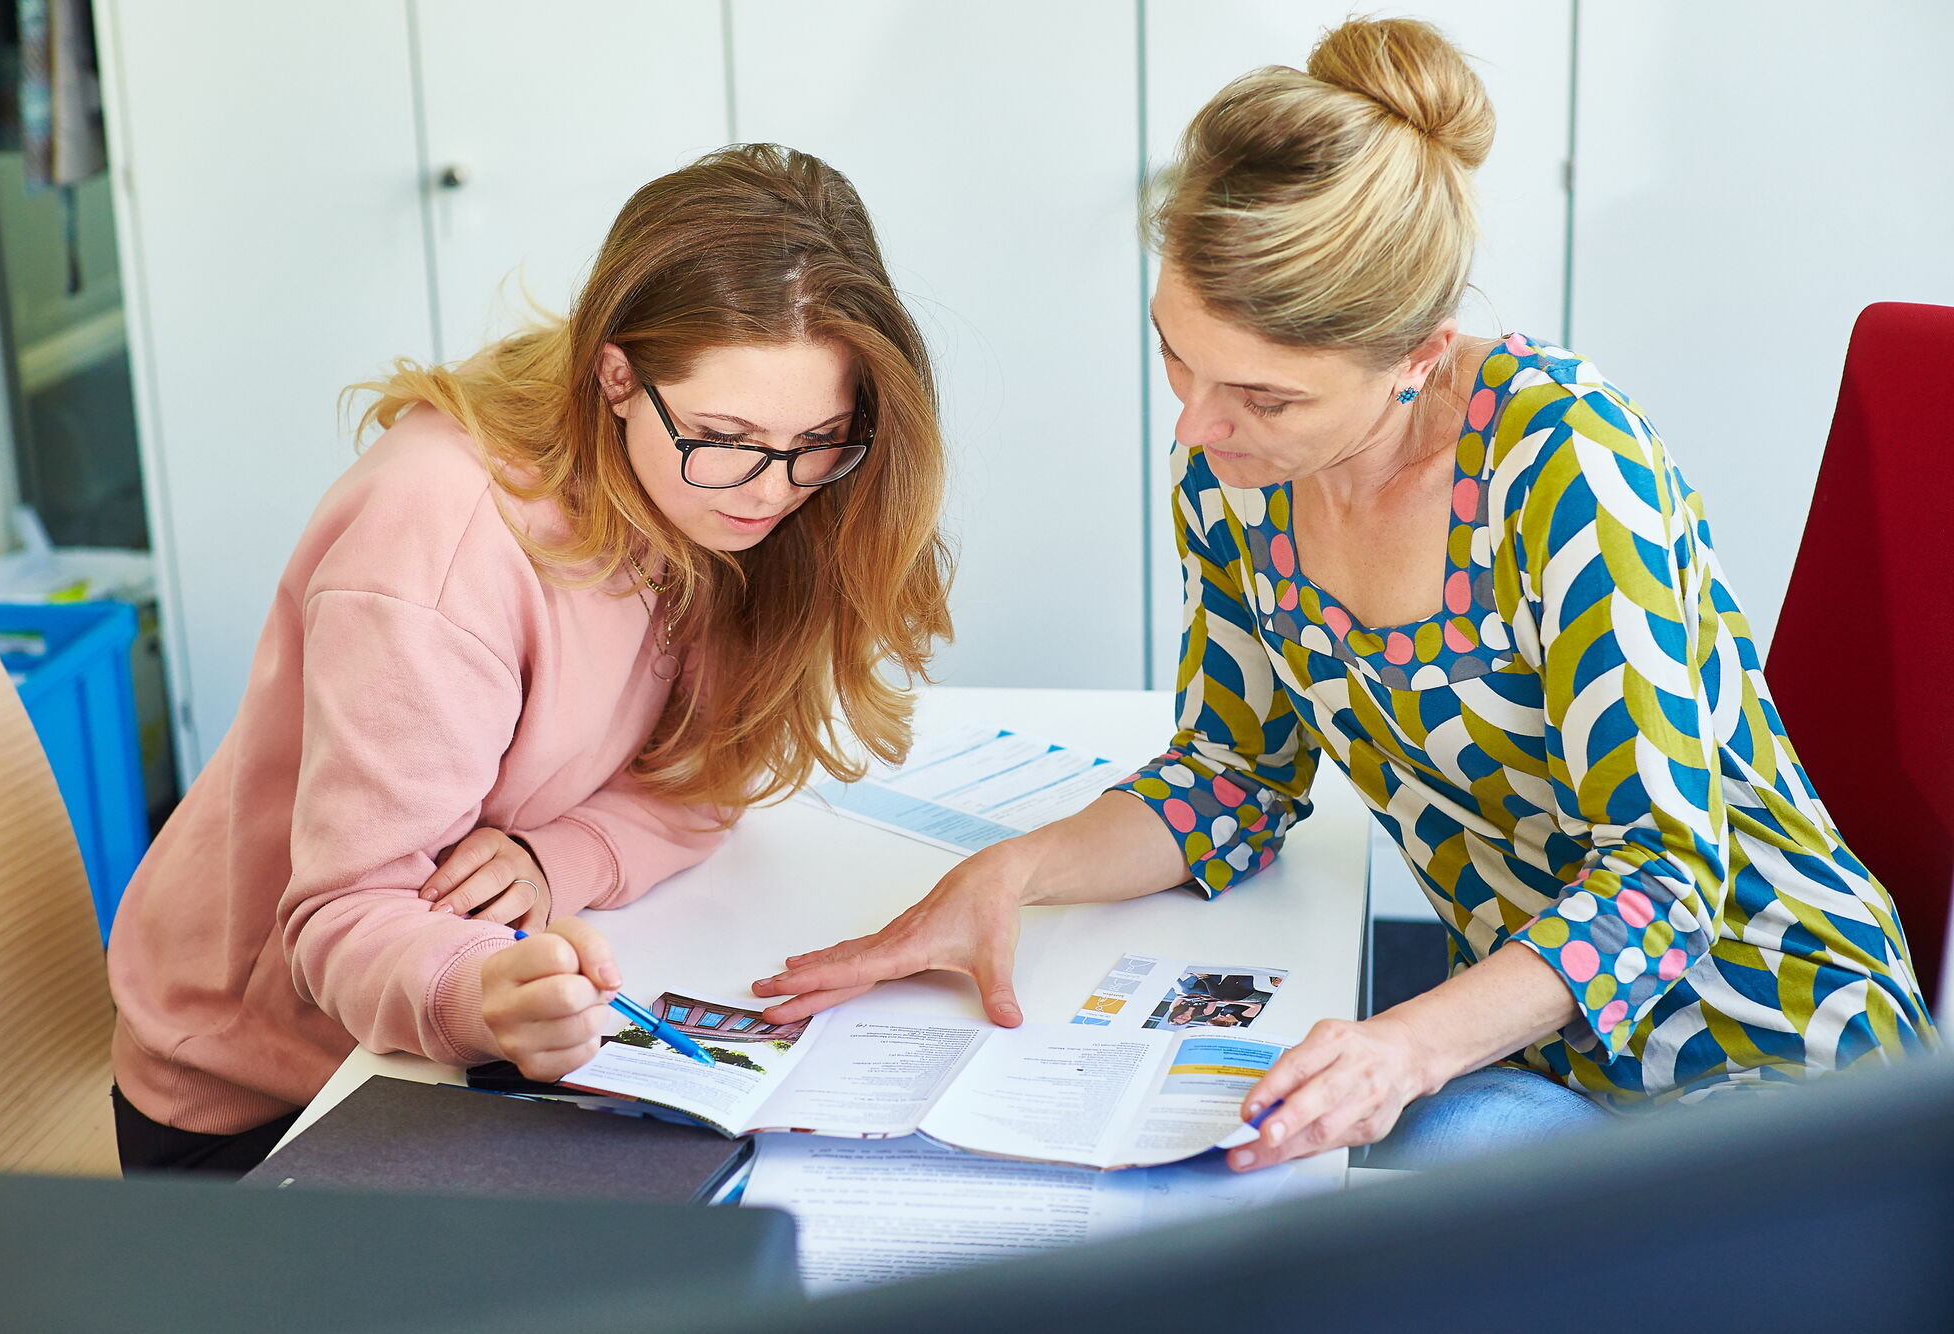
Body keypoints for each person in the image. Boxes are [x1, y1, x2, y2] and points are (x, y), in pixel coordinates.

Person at [751, 20, 1937, 1170]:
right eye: (1175, 353)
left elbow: (1660, 879)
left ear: (1417, 354)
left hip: (1776, 1056)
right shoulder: (1234, 473)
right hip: (1540, 1047)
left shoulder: (1566, 464)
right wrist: (1009, 873)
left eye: (1268, 399)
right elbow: (1233, 777)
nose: (1199, 426)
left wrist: (1404, 1048)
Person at [105, 144, 953, 1174]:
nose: (772, 489)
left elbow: (705, 771)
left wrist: (562, 856)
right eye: (727, 434)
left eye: (819, 438)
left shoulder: (713, 487)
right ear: (616, 376)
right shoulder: (439, 537)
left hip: (453, 1044)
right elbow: (342, 913)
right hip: (271, 1094)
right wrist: (478, 990)